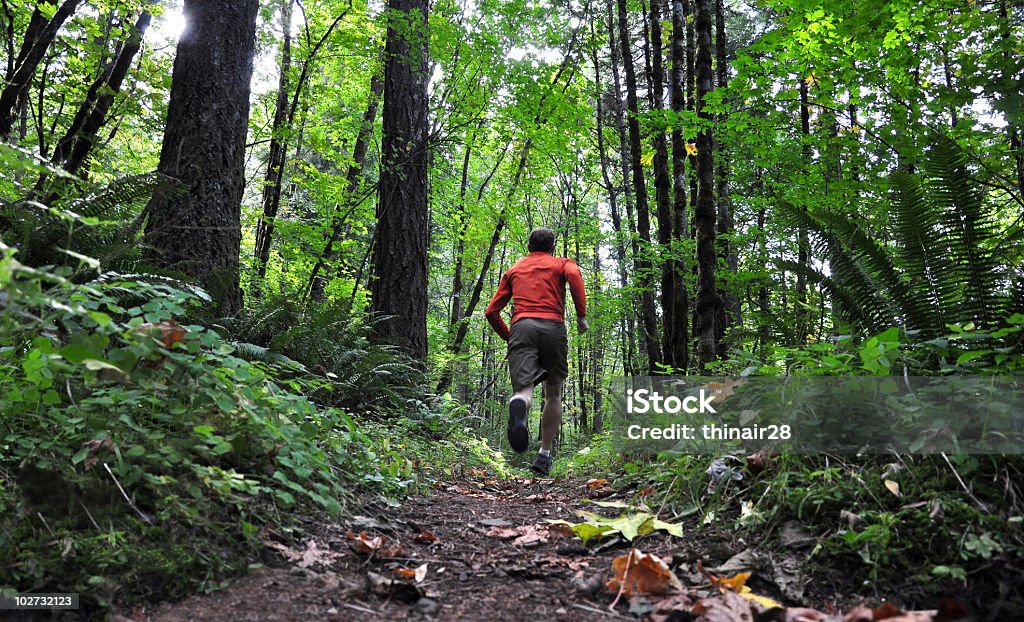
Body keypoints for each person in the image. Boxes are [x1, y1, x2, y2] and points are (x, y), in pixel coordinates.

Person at [484, 227, 588, 476]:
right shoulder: (562, 264)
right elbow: (574, 275)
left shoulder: (515, 269)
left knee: (523, 390)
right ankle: (544, 454)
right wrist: (581, 315)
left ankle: (519, 405)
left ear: (529, 246)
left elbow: (491, 311)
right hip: (553, 327)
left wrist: (511, 337)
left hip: (522, 327)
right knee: (553, 393)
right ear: (552, 246)